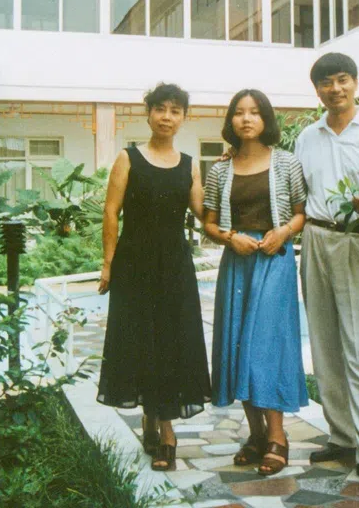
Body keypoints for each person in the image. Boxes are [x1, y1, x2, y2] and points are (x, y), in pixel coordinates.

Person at [294, 53, 359, 493]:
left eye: (342, 80)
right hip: (316, 239)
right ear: (316, 89)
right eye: (325, 82)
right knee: (324, 342)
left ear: (355, 83)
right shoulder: (307, 137)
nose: (334, 89)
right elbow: (294, 189)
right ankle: (342, 437)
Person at [97, 83, 211, 473]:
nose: (167, 116)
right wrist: (108, 264)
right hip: (134, 265)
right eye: (160, 108)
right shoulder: (128, 159)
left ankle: (163, 428)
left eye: (175, 110)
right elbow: (111, 213)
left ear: (183, 117)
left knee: (170, 345)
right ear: (147, 112)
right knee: (140, 342)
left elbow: (202, 213)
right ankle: (159, 425)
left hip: (175, 267)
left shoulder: (190, 164)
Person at [202, 89, 309, 477]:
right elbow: (209, 223)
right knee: (236, 345)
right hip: (238, 262)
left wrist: (283, 233)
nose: (246, 119)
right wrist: (231, 238)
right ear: (231, 121)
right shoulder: (219, 170)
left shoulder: (287, 162)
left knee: (266, 346)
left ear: (266, 119)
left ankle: (278, 437)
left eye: (255, 112)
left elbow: (302, 213)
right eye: (239, 113)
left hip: (274, 260)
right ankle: (255, 434)